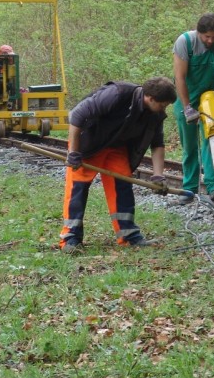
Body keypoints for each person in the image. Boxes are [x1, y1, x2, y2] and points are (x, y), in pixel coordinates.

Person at [59, 77, 177, 253]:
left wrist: (158, 176)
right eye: (163, 105)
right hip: (90, 144)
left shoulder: (155, 114)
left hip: (116, 147)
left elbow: (157, 144)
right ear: (150, 98)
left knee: (122, 185)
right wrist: (74, 153)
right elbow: (76, 115)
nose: (164, 109)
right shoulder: (117, 94)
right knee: (78, 187)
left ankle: (128, 236)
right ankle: (71, 238)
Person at [172, 13, 214, 204]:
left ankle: (213, 185)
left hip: (210, 96)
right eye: (206, 37)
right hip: (186, 96)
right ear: (198, 32)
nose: (210, 40)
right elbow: (180, 78)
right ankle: (189, 189)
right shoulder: (185, 42)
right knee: (189, 146)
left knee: (212, 139)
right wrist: (187, 107)